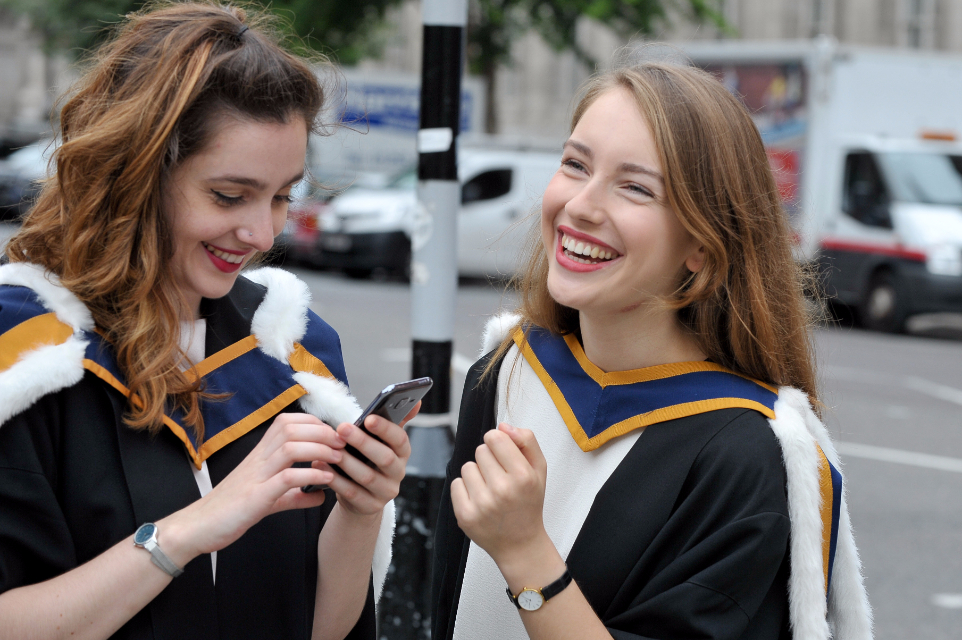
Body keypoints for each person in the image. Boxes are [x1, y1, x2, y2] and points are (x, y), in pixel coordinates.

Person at [0, 3, 413, 639]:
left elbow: (319, 631)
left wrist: (362, 510)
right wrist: (190, 529)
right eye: (228, 196)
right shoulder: (25, 357)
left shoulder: (295, 355)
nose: (260, 232)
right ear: (135, 175)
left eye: (282, 196)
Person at [432, 63, 873, 640]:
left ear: (703, 247)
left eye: (635, 187)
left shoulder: (749, 454)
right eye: (575, 165)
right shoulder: (507, 370)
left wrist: (525, 553)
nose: (582, 206)